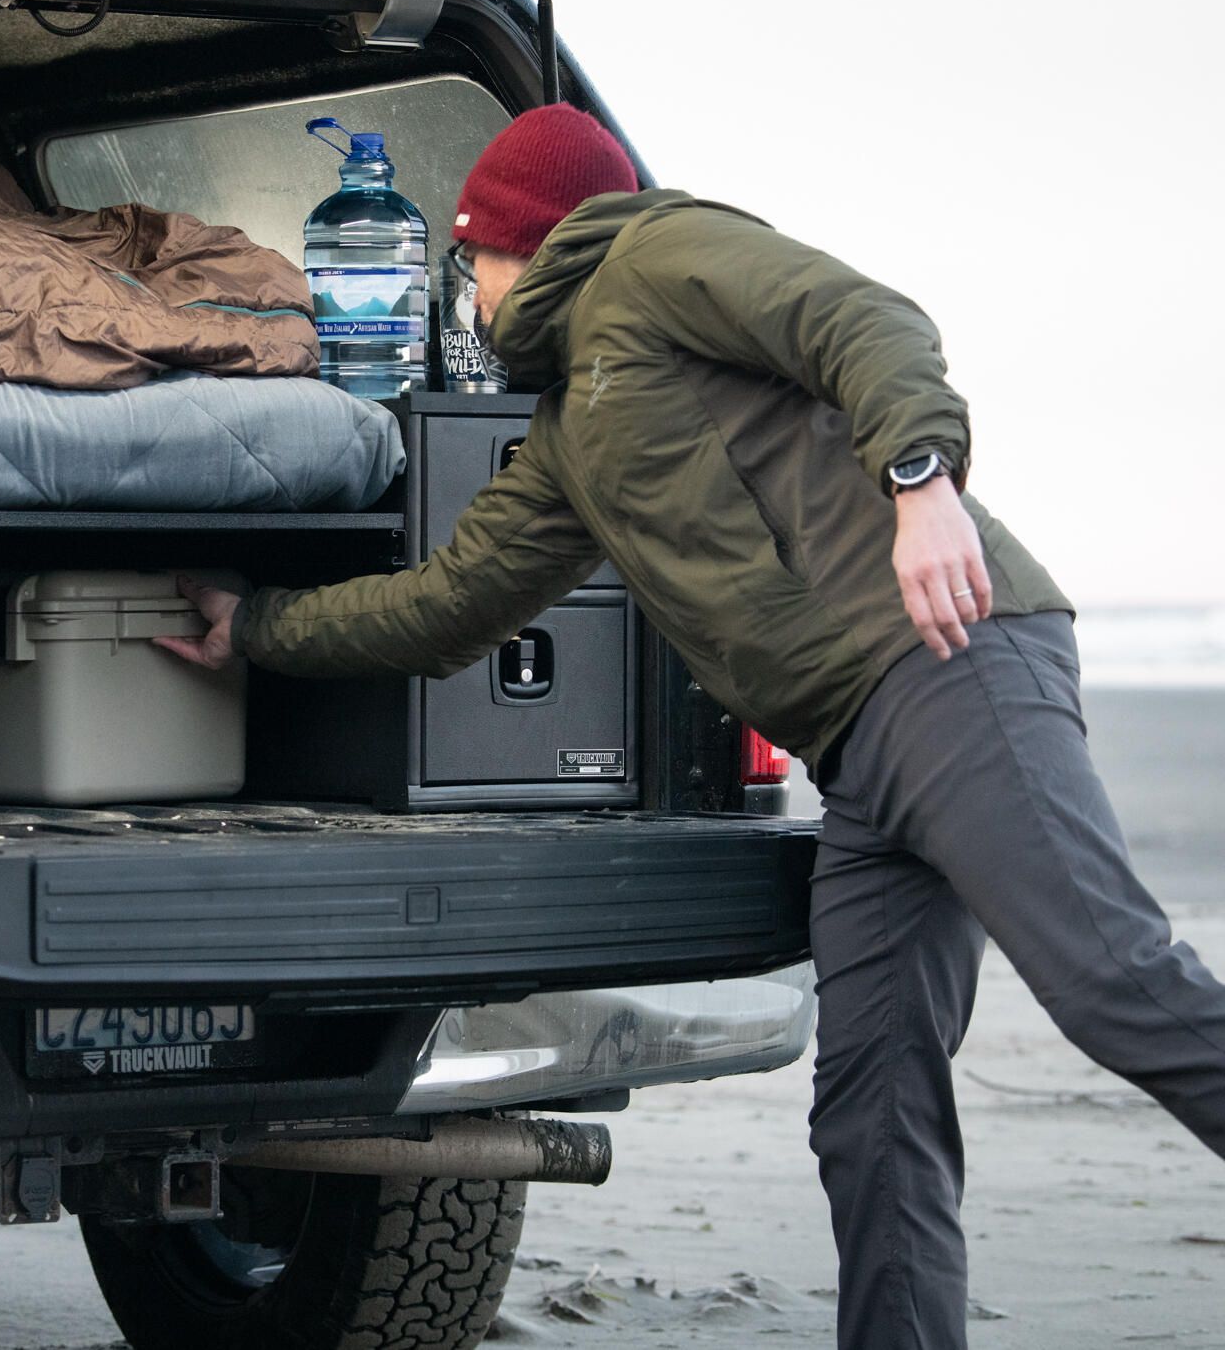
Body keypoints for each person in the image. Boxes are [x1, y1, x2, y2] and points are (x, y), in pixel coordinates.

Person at [158, 103, 1225, 1350]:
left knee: (1113, 984)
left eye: (470, 265)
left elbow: (862, 320)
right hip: (862, 749)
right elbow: (444, 606)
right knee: (872, 1112)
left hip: (947, 661)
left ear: (516, 246)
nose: (471, 300)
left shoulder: (655, 261)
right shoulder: (568, 440)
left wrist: (921, 478)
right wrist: (259, 629)